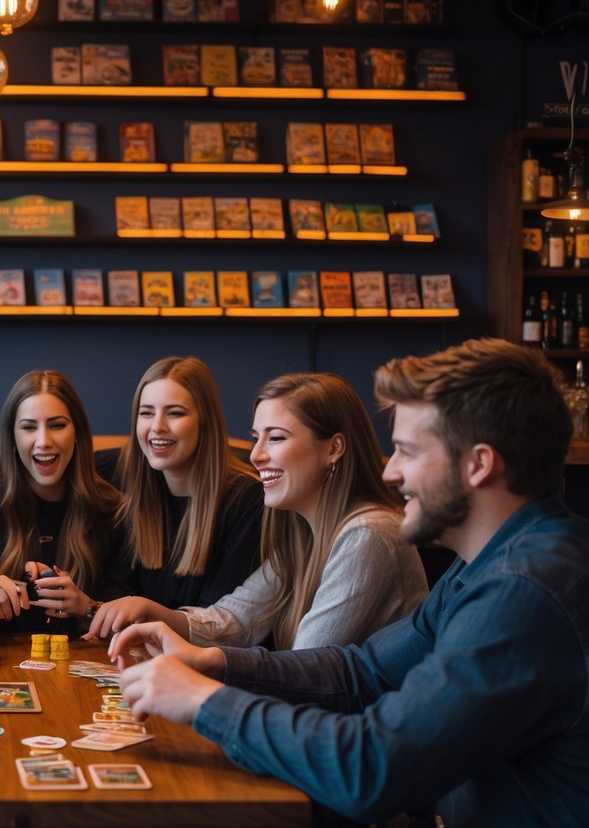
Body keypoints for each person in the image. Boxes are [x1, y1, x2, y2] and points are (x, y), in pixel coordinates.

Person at [108, 339, 589, 826]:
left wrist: (202, 699)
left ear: (479, 464)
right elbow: (362, 672)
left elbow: (373, 768)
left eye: (407, 451)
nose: (390, 470)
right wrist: (212, 661)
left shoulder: (524, 591)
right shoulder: (484, 565)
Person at [101, 372, 425, 650]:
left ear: (334, 449)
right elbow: (233, 623)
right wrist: (148, 612)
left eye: (277, 438)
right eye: (257, 438)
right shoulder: (302, 534)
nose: (256, 455)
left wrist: (201, 667)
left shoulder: (367, 534)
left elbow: (306, 668)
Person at [85, 357, 263, 639]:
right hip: (147, 661)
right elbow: (118, 590)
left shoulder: (248, 501)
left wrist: (141, 610)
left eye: (175, 413)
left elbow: (216, 628)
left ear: (205, 422)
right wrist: (87, 605)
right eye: (146, 413)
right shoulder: (140, 497)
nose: (157, 426)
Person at [0, 370, 119, 633]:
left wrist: (87, 606)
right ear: (12, 438)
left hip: (84, 664)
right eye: (29, 427)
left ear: (77, 433)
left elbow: (130, 613)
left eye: (57, 425)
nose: (43, 441)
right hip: (0, 666)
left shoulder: (110, 507)